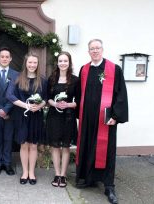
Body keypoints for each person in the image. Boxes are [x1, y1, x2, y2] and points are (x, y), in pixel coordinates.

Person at [75, 39, 128, 204]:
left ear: (102, 49)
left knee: (106, 151)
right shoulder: (84, 69)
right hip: (87, 119)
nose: (95, 51)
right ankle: (88, 178)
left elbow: (121, 94)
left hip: (105, 120)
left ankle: (108, 185)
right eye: (92, 48)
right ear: (88, 51)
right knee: (87, 146)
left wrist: (116, 116)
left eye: (97, 48)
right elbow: (79, 93)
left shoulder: (114, 69)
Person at [7, 52, 47, 185]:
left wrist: (39, 106)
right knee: (24, 145)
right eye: (30, 62)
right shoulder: (18, 78)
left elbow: (46, 98)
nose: (32, 65)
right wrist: (26, 106)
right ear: (26, 63)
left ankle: (32, 172)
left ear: (37, 64)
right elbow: (10, 96)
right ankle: (25, 172)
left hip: (36, 116)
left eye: (35, 62)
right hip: (22, 116)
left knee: (34, 145)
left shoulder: (42, 79)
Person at [46, 52, 79, 188]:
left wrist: (68, 104)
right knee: (55, 146)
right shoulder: (52, 79)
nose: (63, 63)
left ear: (69, 63)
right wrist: (55, 104)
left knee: (65, 146)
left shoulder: (75, 80)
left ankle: (63, 175)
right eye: (60, 61)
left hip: (68, 117)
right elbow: (47, 98)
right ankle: (57, 173)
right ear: (57, 63)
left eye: (65, 61)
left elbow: (78, 101)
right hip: (54, 116)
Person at [0, 47, 19, 176]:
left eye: (7, 57)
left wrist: (7, 109)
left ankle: (7, 163)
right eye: (2, 56)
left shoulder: (16, 74)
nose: (4, 59)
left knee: (8, 138)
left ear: (10, 59)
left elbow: (15, 94)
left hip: (10, 112)